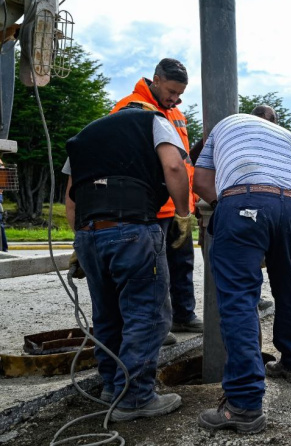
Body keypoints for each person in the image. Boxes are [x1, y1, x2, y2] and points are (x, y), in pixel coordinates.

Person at [63, 101, 192, 421]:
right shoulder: (153, 121)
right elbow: (174, 166)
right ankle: (135, 397)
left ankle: (112, 388)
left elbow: (71, 198)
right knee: (147, 314)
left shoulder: (84, 136)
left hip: (89, 233)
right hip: (132, 228)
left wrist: (81, 240)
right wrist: (183, 214)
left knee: (107, 315)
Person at [193, 112, 291, 434]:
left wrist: (225, 207)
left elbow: (200, 180)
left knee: (239, 298)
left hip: (244, 199)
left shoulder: (224, 126)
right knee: (289, 285)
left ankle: (244, 404)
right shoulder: (289, 137)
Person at [111, 58, 202, 337]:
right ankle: (157, 327)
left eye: (180, 94)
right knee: (153, 272)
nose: (174, 98)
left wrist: (188, 204)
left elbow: (183, 163)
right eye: (171, 92)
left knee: (182, 264)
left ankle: (183, 316)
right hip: (149, 208)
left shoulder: (175, 113)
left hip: (178, 205)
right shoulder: (130, 108)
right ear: (156, 80)